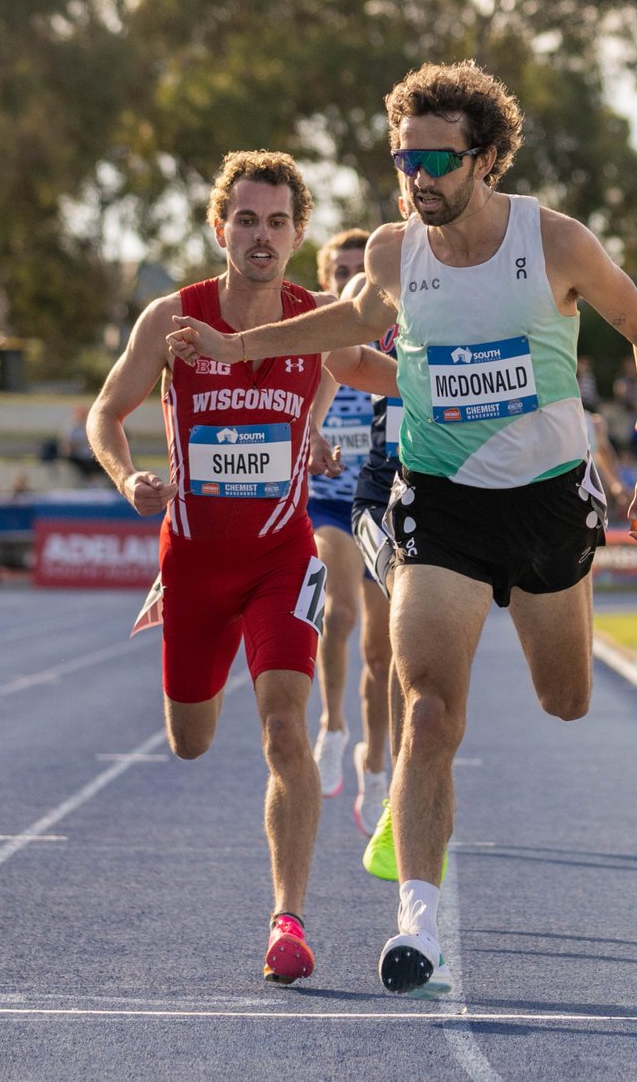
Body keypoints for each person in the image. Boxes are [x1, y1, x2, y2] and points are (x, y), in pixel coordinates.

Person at [167, 61, 637, 996]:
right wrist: (238, 347)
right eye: (404, 159)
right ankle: (419, 927)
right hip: (436, 503)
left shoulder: (553, 241)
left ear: (485, 158)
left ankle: (564, 596)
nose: (417, 176)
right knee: (430, 710)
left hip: (548, 501)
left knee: (567, 699)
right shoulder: (397, 252)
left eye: (436, 158)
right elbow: (351, 319)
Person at [86, 150, 397, 985]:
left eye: (279, 222)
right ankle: (188, 626)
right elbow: (106, 413)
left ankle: (286, 921)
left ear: (299, 233)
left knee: (282, 728)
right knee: (190, 742)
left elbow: (383, 374)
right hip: (191, 558)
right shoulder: (170, 318)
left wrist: (471, 396)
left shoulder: (320, 317)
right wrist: (128, 479)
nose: (263, 237)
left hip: (279, 556)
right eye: (248, 220)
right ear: (220, 227)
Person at [307, 228, 392, 835]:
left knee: (383, 651)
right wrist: (311, 432)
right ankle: (333, 726)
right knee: (337, 614)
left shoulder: (388, 330)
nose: (346, 277)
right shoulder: (313, 331)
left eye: (356, 269)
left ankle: (376, 762)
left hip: (384, 504)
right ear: (325, 277)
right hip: (328, 506)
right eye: (338, 270)